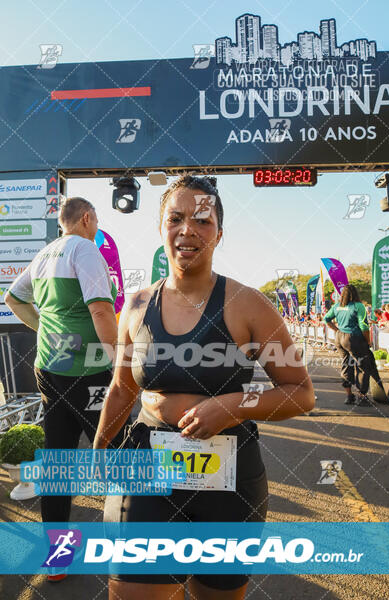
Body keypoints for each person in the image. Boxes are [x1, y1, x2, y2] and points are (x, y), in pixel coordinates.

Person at [93, 175, 315, 600]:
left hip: (228, 485)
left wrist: (234, 405)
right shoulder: (136, 307)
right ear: (161, 228)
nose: (187, 229)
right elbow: (122, 390)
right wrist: (101, 453)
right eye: (175, 218)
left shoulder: (248, 304)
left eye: (202, 220)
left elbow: (301, 392)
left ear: (219, 233)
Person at [5, 197, 129, 560]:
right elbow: (102, 310)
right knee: (118, 457)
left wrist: (45, 328)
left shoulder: (46, 253)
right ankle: (129, 548)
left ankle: (57, 556)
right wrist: (120, 366)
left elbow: (13, 299)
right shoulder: (86, 249)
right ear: (87, 218)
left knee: (58, 464)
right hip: (87, 372)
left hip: (49, 370)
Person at [323, 284, 385, 407]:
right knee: (362, 366)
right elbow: (363, 326)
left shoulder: (337, 306)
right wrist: (368, 340)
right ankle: (362, 397)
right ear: (355, 294)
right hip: (354, 339)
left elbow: (326, 318)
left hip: (340, 338)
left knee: (346, 365)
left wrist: (337, 330)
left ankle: (349, 396)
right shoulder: (358, 306)